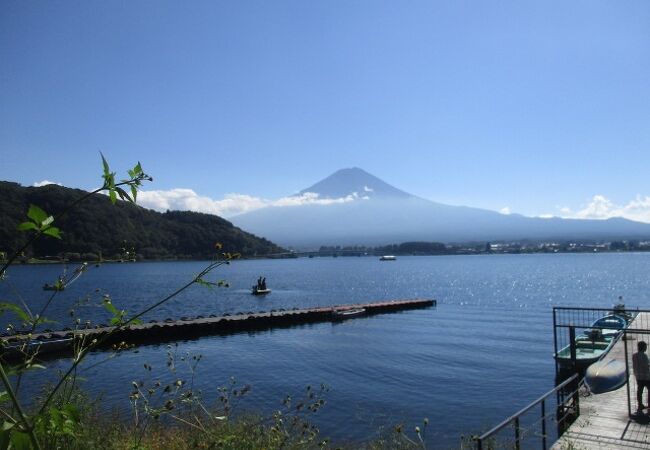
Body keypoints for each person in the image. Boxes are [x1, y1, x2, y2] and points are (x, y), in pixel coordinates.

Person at [633, 341, 650, 413]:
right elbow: (646, 366)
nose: (646, 348)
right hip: (646, 377)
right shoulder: (644, 356)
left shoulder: (634, 355)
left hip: (638, 376)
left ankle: (640, 404)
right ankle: (649, 404)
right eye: (645, 346)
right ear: (643, 347)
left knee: (639, 391)